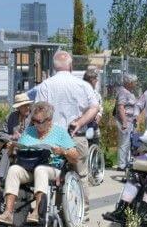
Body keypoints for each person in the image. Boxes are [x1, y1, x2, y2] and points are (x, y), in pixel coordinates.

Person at [0, 101, 80, 227]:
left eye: (40, 121)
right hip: (28, 167)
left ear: (49, 120)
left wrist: (62, 151)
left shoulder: (60, 133)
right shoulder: (29, 131)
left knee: (41, 170)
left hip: (52, 168)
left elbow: (75, 157)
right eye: (34, 120)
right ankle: (8, 213)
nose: (36, 124)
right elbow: (15, 155)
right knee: (14, 170)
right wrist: (12, 149)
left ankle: (37, 213)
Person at [33, 50, 99, 211]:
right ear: (70, 65)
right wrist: (80, 121)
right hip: (76, 135)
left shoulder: (46, 85)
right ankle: (82, 210)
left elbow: (38, 111)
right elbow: (95, 107)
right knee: (80, 173)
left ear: (55, 67)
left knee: (54, 173)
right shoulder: (82, 85)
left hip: (52, 138)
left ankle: (53, 207)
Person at [0, 93, 33, 185]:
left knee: (10, 149)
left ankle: (1, 179)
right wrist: (11, 137)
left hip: (28, 147)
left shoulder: (33, 118)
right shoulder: (11, 117)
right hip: (12, 146)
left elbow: (38, 134)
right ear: (18, 107)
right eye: (23, 106)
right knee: (7, 149)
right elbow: (1, 134)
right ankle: (0, 179)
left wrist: (23, 138)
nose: (27, 108)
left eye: (28, 105)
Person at [114, 74, 139, 170]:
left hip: (130, 121)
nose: (135, 84)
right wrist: (124, 122)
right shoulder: (123, 92)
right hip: (125, 121)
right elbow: (121, 107)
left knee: (128, 143)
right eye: (134, 82)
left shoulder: (129, 92)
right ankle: (121, 165)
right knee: (124, 143)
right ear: (129, 83)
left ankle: (126, 162)